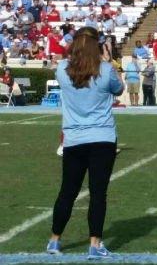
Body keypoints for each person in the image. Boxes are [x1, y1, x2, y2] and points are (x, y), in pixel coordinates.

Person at [47, 27, 124, 259]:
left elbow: (69, 65)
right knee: (98, 193)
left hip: (74, 139)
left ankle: (54, 240)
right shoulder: (106, 69)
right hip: (102, 138)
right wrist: (108, 59)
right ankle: (95, 244)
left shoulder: (62, 69)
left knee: (67, 192)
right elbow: (119, 89)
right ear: (97, 45)